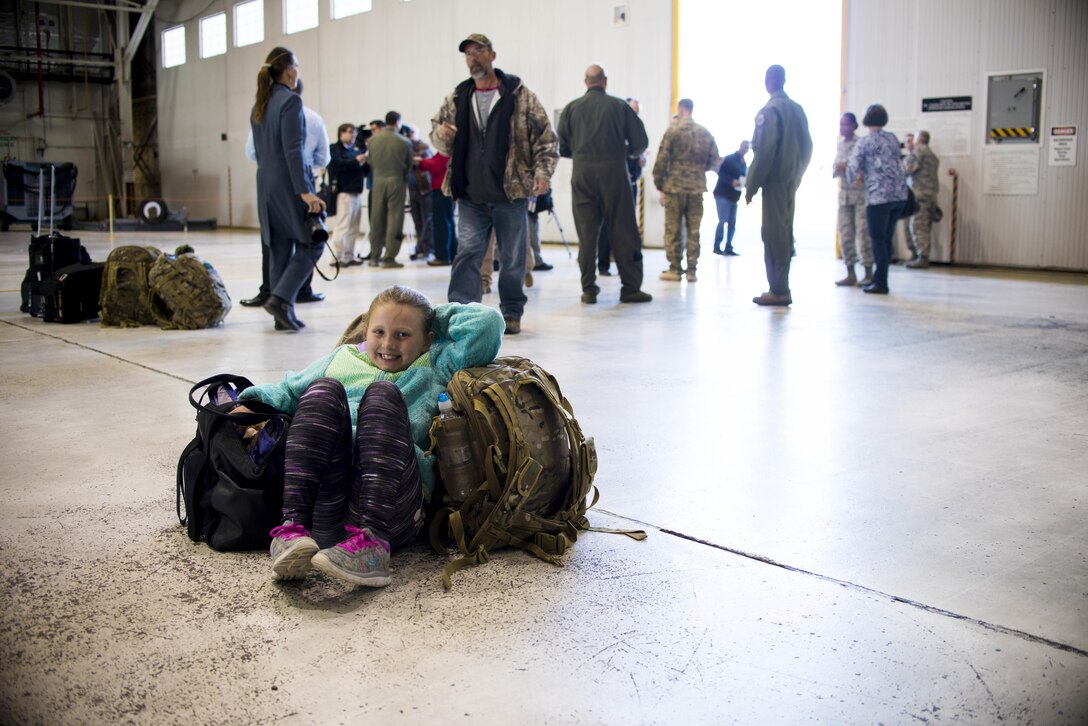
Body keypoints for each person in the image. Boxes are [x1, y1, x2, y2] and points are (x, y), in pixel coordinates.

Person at [234, 285, 504, 586]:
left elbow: (487, 325)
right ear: (366, 332)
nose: (388, 344)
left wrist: (427, 316)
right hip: (331, 506)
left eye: (403, 334)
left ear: (428, 340)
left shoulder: (435, 364)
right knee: (322, 390)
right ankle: (293, 529)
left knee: (382, 394)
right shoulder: (342, 358)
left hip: (393, 509)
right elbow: (287, 391)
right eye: (379, 331)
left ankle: (372, 547)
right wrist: (248, 405)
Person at [430, 33, 558, 336]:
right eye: (468, 54)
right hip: (471, 194)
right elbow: (436, 135)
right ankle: (461, 313)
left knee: (513, 258)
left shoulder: (518, 94)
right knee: (468, 254)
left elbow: (545, 137)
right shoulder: (458, 97)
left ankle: (512, 312)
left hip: (510, 194)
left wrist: (542, 173)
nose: (473, 57)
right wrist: (442, 136)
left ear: (492, 55)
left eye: (478, 51)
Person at [557, 64, 652, 305]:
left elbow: (563, 147)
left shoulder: (571, 109)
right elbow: (641, 142)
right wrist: (625, 152)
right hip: (614, 172)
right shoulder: (620, 106)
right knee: (623, 229)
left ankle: (588, 289)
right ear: (605, 81)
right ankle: (630, 288)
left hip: (582, 173)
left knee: (587, 233)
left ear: (585, 81)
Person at [249, 47, 325, 332]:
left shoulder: (260, 104)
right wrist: (305, 191)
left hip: (265, 184)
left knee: (278, 246)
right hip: (288, 184)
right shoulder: (291, 102)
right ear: (291, 70)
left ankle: (281, 312)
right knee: (313, 241)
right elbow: (293, 150)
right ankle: (281, 299)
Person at [744, 64, 813, 306]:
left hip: (774, 182)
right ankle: (780, 287)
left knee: (774, 234)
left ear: (768, 82)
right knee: (785, 230)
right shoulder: (797, 109)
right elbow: (807, 147)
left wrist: (751, 186)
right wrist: (796, 175)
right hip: (790, 181)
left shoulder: (771, 110)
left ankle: (779, 289)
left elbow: (764, 152)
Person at [652, 98, 719, 283]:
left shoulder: (672, 131)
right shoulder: (705, 133)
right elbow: (715, 161)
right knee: (693, 230)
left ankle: (675, 269)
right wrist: (698, 170)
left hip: (674, 187)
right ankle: (691, 271)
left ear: (680, 109)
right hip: (696, 188)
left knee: (673, 229)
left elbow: (661, 160)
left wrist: (660, 184)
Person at [846, 104, 909, 295]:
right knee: (887, 239)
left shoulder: (865, 142)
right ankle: (881, 277)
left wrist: (852, 180)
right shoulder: (892, 138)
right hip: (899, 196)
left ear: (866, 120)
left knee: (877, 240)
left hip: (878, 197)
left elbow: (853, 166)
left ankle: (880, 282)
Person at [366, 111, 413, 268]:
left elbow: (370, 161)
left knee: (376, 218)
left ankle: (374, 257)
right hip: (396, 181)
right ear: (397, 122)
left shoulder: (372, 140)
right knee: (395, 218)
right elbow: (409, 165)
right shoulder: (404, 141)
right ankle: (389, 257)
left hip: (378, 181)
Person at [833, 112, 872, 286]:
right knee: (845, 234)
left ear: (854, 126)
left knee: (863, 234)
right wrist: (838, 168)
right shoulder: (839, 145)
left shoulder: (861, 144)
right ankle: (850, 273)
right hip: (844, 196)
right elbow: (835, 168)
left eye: (846, 124)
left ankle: (868, 272)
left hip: (860, 196)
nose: (843, 128)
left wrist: (849, 168)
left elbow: (867, 169)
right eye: (841, 124)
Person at [326, 123, 368, 267]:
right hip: (343, 192)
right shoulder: (334, 149)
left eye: (354, 133)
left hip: (356, 191)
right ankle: (337, 257)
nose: (353, 135)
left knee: (354, 227)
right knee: (343, 225)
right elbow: (336, 165)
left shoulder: (357, 150)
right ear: (341, 133)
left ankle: (349, 255)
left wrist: (364, 161)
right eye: (350, 132)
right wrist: (356, 161)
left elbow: (364, 171)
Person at [904, 130, 940, 269]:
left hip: (919, 195)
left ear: (919, 139)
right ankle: (920, 256)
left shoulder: (919, 151)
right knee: (925, 226)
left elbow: (907, 169)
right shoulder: (932, 155)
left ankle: (922, 258)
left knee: (918, 226)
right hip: (930, 196)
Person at [404, 125, 435, 261]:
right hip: (412, 189)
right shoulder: (406, 147)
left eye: (412, 132)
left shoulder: (424, 147)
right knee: (417, 220)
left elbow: (421, 160)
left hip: (424, 189)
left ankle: (428, 248)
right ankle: (421, 247)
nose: (410, 135)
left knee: (426, 220)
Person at [419, 152, 456, 265]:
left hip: (441, 189)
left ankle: (442, 256)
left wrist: (421, 162)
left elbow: (436, 166)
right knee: (449, 222)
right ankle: (452, 253)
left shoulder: (446, 151)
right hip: (448, 190)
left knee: (441, 224)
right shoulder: (450, 150)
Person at [713, 140, 749, 256]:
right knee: (723, 220)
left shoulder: (744, 164)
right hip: (723, 194)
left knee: (732, 222)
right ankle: (717, 247)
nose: (745, 149)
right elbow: (720, 172)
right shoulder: (729, 159)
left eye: (747, 148)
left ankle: (729, 247)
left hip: (734, 197)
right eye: (744, 146)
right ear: (740, 146)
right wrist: (731, 181)